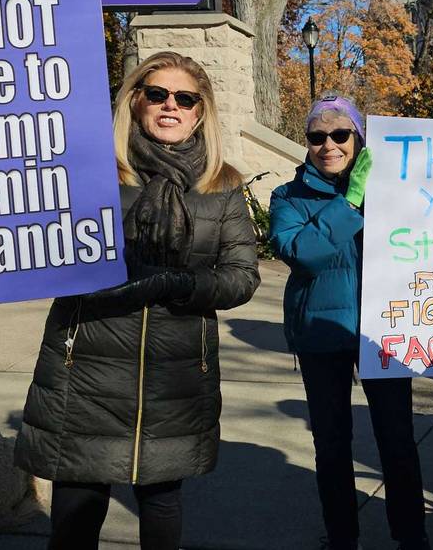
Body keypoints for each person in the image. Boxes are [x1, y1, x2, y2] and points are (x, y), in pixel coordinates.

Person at [15, 51, 261, 550]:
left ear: (200, 111)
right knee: (77, 507)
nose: (170, 105)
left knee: (162, 501)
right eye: (157, 94)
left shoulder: (224, 186)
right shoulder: (87, 172)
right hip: (85, 368)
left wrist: (180, 284)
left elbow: (241, 276)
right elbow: (41, 259)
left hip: (175, 374)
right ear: (135, 102)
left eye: (185, 98)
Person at [269, 95, 430, 550]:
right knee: (333, 443)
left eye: (340, 134)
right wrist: (352, 201)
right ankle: (342, 537)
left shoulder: (396, 190)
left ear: (358, 138)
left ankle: (412, 536)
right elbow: (301, 253)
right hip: (321, 335)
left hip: (386, 330)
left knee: (398, 440)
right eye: (317, 137)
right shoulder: (287, 196)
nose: (329, 145)